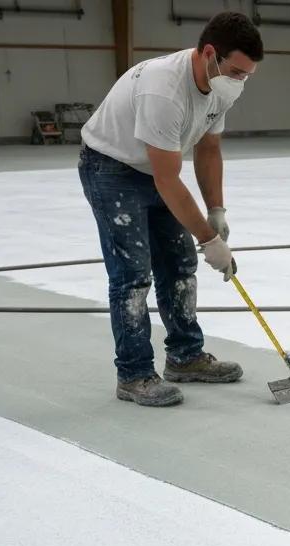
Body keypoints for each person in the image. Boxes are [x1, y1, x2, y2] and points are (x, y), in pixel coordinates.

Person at [78, 12, 263, 406]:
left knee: (180, 266)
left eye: (247, 74)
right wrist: (210, 240)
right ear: (209, 53)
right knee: (132, 276)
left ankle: (185, 356)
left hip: (159, 167)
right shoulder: (164, 89)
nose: (240, 80)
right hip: (113, 167)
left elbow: (209, 148)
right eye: (236, 71)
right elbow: (167, 179)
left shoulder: (225, 84)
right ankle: (134, 374)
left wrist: (216, 210)